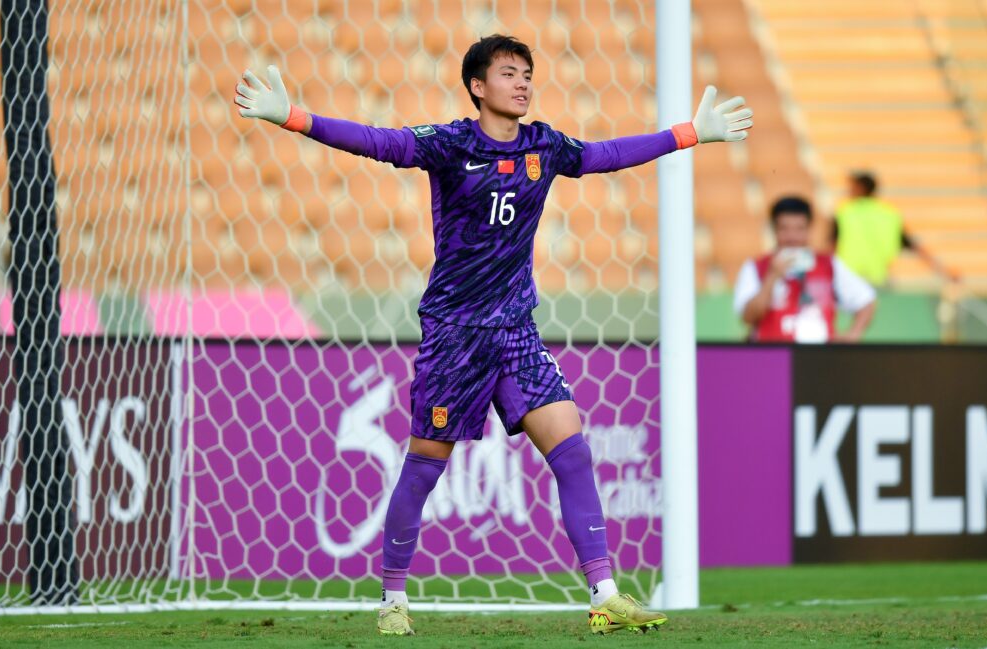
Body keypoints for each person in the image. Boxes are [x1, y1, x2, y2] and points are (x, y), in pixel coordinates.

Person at [234, 34, 753, 635]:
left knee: (573, 450)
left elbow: (606, 154)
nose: (523, 82)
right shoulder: (450, 144)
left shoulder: (543, 145)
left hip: (515, 331)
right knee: (425, 466)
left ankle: (605, 594)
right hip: (456, 334)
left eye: (527, 73)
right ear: (478, 87)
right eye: (509, 73)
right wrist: (294, 117)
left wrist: (689, 133)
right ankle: (393, 599)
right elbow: (378, 142)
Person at [735, 196, 875, 343]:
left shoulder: (829, 265)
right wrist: (772, 277)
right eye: (784, 229)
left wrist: (853, 333)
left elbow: (865, 300)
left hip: (819, 355)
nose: (792, 237)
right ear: (774, 230)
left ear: (809, 229)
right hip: (773, 354)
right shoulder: (756, 267)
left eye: (799, 229)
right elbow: (748, 317)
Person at [831, 171, 955, 286]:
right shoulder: (890, 214)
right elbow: (915, 246)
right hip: (879, 281)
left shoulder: (844, 212)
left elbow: (829, 245)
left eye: (851, 187)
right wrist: (944, 271)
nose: (848, 191)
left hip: (849, 280)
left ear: (860, 188)